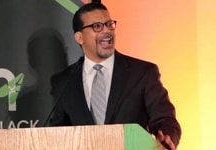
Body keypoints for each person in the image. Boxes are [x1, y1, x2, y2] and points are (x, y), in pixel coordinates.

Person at [49, 2, 181, 149]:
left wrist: (167, 138)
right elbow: (58, 132)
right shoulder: (64, 81)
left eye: (109, 24)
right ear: (80, 37)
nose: (106, 31)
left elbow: (165, 119)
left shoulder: (142, 73)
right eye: (97, 26)